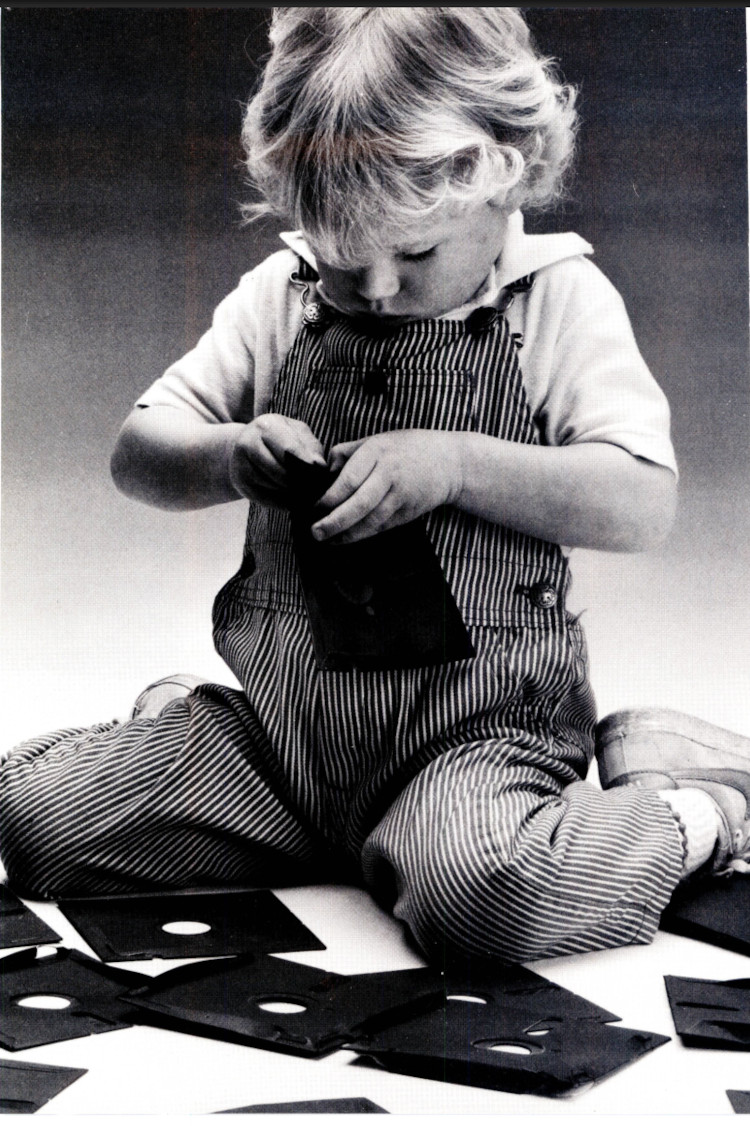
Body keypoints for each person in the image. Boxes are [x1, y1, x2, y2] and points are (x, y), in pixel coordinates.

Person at [2, 7, 749, 964]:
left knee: (485, 898)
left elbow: (641, 503)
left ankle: (700, 808)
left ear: (507, 176)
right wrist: (230, 453)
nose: (379, 289)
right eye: (345, 259)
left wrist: (459, 465)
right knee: (33, 818)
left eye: (419, 253)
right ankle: (193, 731)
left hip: (473, 742)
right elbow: (139, 454)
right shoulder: (282, 297)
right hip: (281, 745)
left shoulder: (555, 302)